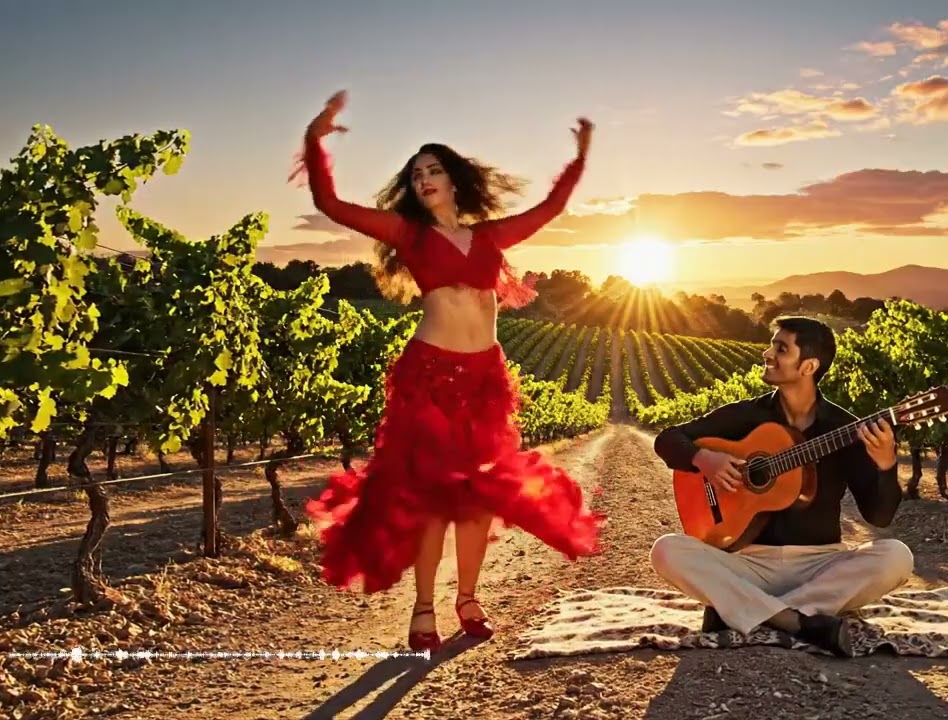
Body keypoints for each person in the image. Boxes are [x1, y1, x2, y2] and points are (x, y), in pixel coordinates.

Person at [292, 90, 605, 653]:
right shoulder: (408, 234)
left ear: (454, 180)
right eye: (416, 175)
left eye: (433, 170)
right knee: (436, 498)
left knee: (477, 498)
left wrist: (580, 157)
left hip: (486, 377)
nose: (424, 180)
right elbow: (331, 204)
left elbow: (549, 211)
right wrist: (316, 139)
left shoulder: (488, 236)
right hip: (431, 374)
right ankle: (423, 607)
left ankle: (469, 598)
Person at [649, 316, 914, 657]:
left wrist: (886, 464)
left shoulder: (845, 429)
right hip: (747, 565)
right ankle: (798, 621)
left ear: (809, 366)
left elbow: (879, 516)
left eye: (781, 348)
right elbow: (668, 439)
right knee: (666, 550)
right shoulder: (747, 415)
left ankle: (742, 611)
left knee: (896, 556)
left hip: (820, 565)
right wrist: (704, 458)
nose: (767, 353)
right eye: (772, 345)